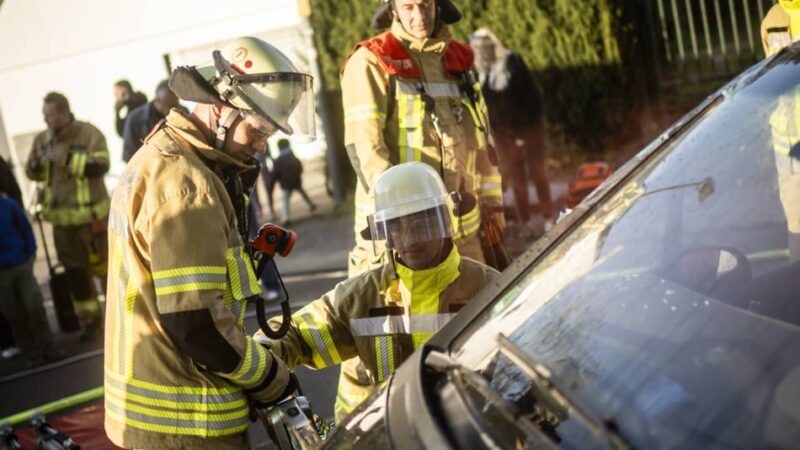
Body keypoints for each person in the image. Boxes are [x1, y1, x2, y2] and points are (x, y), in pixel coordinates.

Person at [103, 36, 317, 450]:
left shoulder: (165, 156)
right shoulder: (188, 186)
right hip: (189, 424)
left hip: (161, 415)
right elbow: (196, 324)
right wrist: (272, 378)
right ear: (220, 108)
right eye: (257, 130)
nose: (261, 145)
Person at [259, 162, 500, 421]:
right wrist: (259, 357)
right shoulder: (362, 296)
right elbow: (293, 335)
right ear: (386, 235)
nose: (408, 240)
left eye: (421, 224)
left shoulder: (487, 288)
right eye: (396, 227)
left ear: (444, 221)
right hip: (379, 435)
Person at [341, 0, 505, 276]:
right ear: (392, 9)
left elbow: (482, 143)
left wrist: (494, 207)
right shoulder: (372, 60)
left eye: (425, 5)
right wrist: (404, 228)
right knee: (410, 320)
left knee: (479, 316)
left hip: (465, 236)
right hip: (406, 243)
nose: (420, 16)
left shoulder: (460, 62)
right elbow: (366, 150)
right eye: (409, 7)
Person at [26, 92, 109, 342]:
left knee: (106, 271)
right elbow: (35, 175)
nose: (46, 119)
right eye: (44, 115)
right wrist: (35, 164)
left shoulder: (88, 134)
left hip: (92, 220)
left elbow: (101, 166)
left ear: (62, 113)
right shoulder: (42, 139)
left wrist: (66, 158)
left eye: (49, 115)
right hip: (62, 223)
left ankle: (123, 319)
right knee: (76, 276)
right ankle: (91, 323)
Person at [470, 28, 553, 228]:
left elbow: (531, 99)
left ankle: (549, 216)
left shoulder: (512, 63)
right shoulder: (482, 73)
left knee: (538, 174)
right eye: (478, 47)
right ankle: (526, 221)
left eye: (486, 46)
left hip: (528, 131)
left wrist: (523, 133)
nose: (483, 51)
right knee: (517, 179)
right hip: (504, 137)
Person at [0, 190, 61, 365]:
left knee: (34, 306)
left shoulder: (8, 205)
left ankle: (48, 347)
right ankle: (31, 353)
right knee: (13, 314)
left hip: (21, 264)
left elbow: (26, 229)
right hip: (2, 274)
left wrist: (31, 253)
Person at [122, 80, 184, 162]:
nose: (173, 109)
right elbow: (129, 154)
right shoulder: (135, 119)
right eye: (170, 105)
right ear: (157, 101)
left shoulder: (182, 113)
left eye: (176, 104)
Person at [270, 138, 317, 225]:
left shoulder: (278, 161)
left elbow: (275, 174)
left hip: (286, 184)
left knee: (285, 200)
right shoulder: (293, 156)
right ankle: (311, 205)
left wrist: (272, 185)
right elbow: (300, 167)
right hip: (296, 181)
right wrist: (298, 176)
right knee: (302, 192)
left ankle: (286, 218)